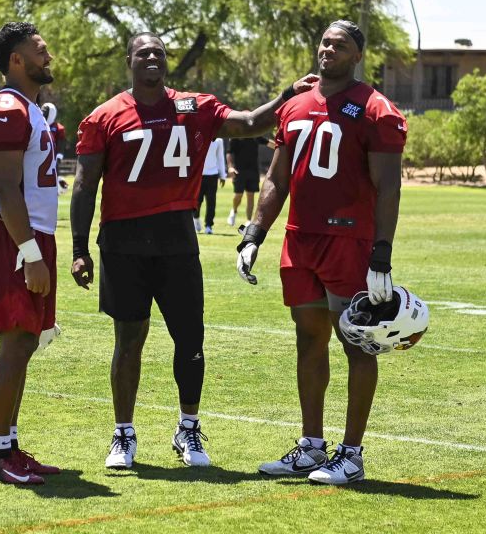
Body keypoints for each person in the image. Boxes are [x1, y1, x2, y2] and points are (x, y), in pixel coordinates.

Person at [69, 32, 317, 469]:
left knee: (190, 340)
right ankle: (123, 434)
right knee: (128, 340)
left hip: (176, 239)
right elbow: (86, 186)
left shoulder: (193, 106)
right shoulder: (105, 116)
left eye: (159, 53)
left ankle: (188, 429)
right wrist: (78, 248)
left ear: (168, 63)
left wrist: (285, 95)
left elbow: (248, 122)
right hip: (124, 241)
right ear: (128, 60)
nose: (151, 57)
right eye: (143, 52)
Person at [236, 20, 407, 485]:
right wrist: (254, 233)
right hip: (300, 238)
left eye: (341, 44)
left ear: (357, 56)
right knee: (308, 338)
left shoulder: (376, 108)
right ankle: (312, 446)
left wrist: (381, 254)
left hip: (348, 240)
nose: (329, 48)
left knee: (356, 341)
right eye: (326, 41)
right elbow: (276, 179)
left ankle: (351, 454)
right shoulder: (294, 106)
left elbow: (388, 185)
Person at [0, 21, 63, 485]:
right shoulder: (6, 108)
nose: (47, 57)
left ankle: (9, 445)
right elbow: (5, 187)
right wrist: (29, 251)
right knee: (14, 344)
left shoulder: (27, 107)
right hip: (15, 237)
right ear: (17, 60)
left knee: (26, 342)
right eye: (40, 50)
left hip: (33, 235)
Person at [227, 136, 268, 230]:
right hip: (239, 171)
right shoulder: (236, 137)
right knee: (238, 195)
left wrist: (284, 147)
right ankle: (234, 210)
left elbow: (269, 143)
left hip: (253, 171)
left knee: (251, 196)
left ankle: (249, 220)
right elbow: (229, 152)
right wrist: (230, 167)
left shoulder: (255, 135)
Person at [193, 137, 227, 234]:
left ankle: (209, 225)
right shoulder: (198, 137)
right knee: (197, 201)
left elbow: (220, 157)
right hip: (199, 175)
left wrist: (222, 175)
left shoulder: (219, 141)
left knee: (211, 201)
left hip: (213, 175)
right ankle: (196, 218)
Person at [42, 103, 68, 192]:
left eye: (46, 111)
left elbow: (61, 142)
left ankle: (56, 187)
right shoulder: (38, 125)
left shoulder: (58, 128)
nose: (43, 112)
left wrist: (60, 155)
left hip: (53, 156)